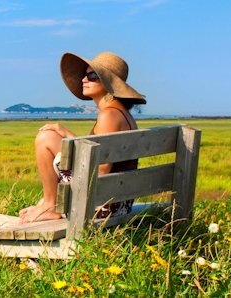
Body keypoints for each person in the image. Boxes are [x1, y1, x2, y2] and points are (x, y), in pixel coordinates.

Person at [18, 51, 147, 223]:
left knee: (45, 138)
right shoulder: (119, 113)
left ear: (109, 83)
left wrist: (68, 138)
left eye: (92, 75)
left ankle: (50, 205)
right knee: (51, 135)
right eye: (84, 75)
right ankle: (48, 203)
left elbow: (100, 169)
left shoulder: (109, 115)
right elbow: (98, 153)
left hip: (102, 205)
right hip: (116, 201)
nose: (84, 80)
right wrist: (67, 135)